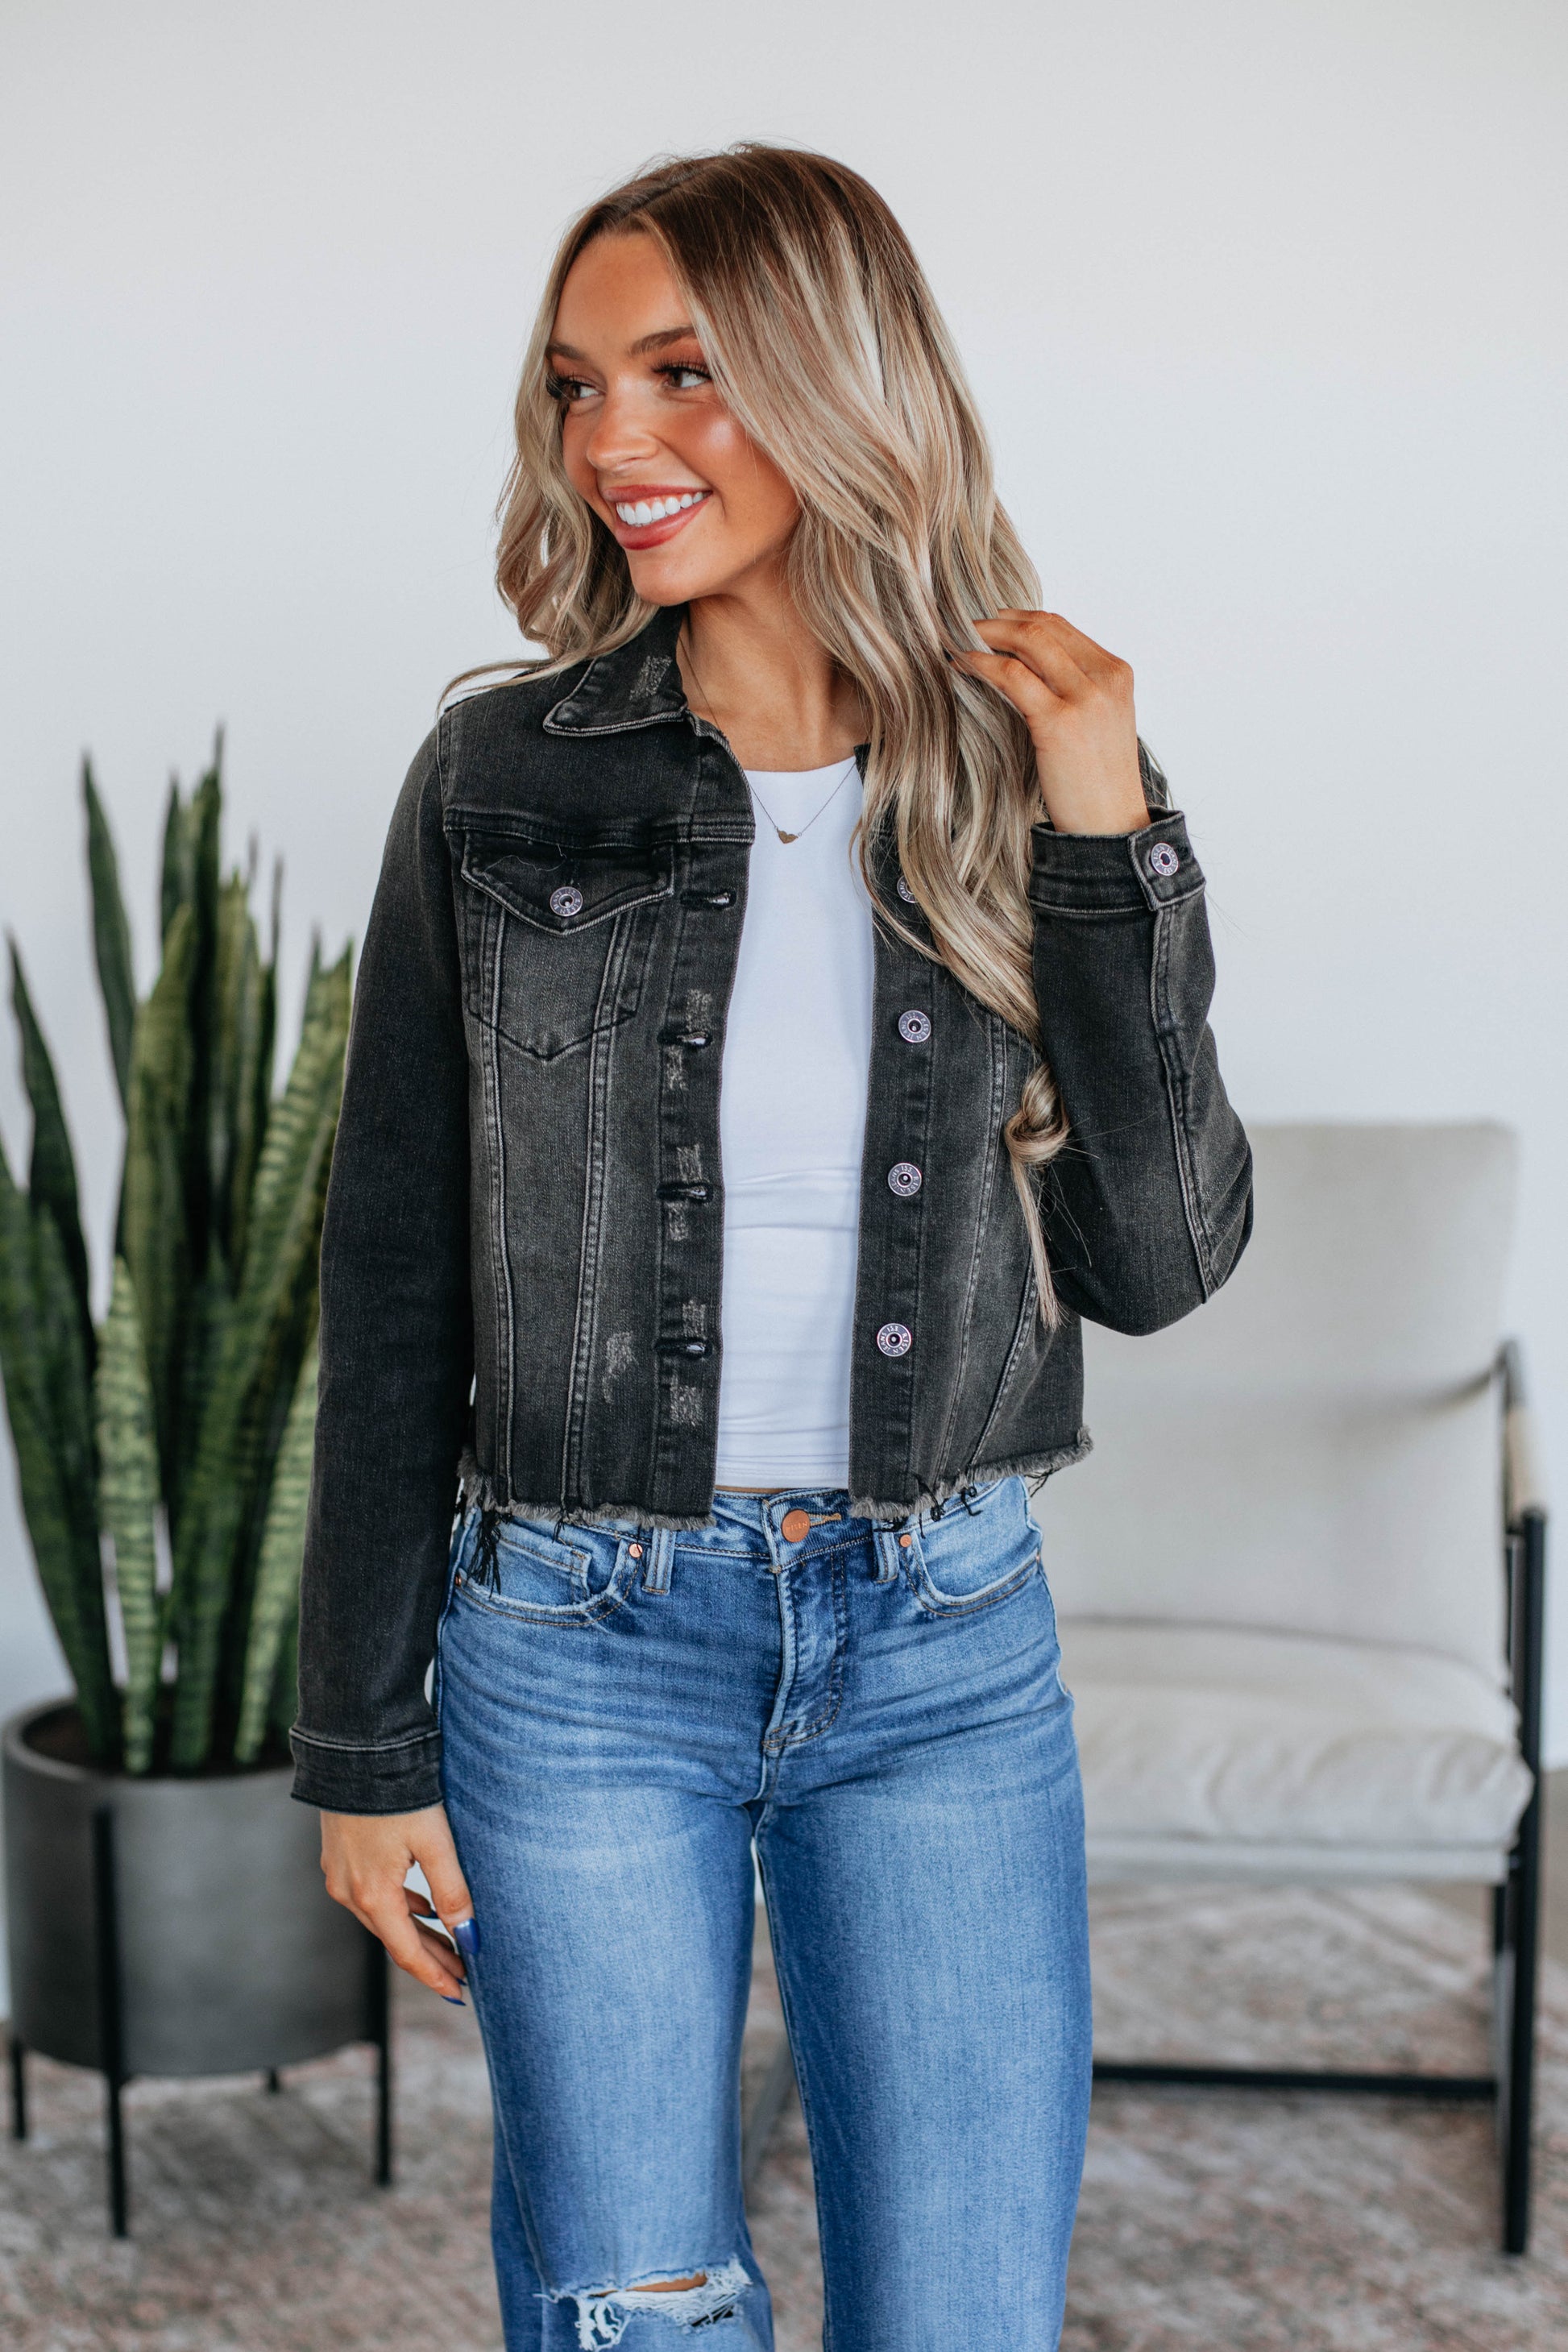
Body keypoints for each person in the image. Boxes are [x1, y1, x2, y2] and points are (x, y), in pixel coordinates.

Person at [292, 143, 1252, 2351]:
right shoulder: (501, 778)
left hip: (943, 1644)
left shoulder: (1036, 771)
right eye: (577, 386)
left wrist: (1103, 826)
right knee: (637, 2306)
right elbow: (393, 1276)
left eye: (681, 373)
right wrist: (362, 1747)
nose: (612, 442)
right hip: (578, 1643)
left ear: (839, 378)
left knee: (961, 2313)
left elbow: (1156, 1259)